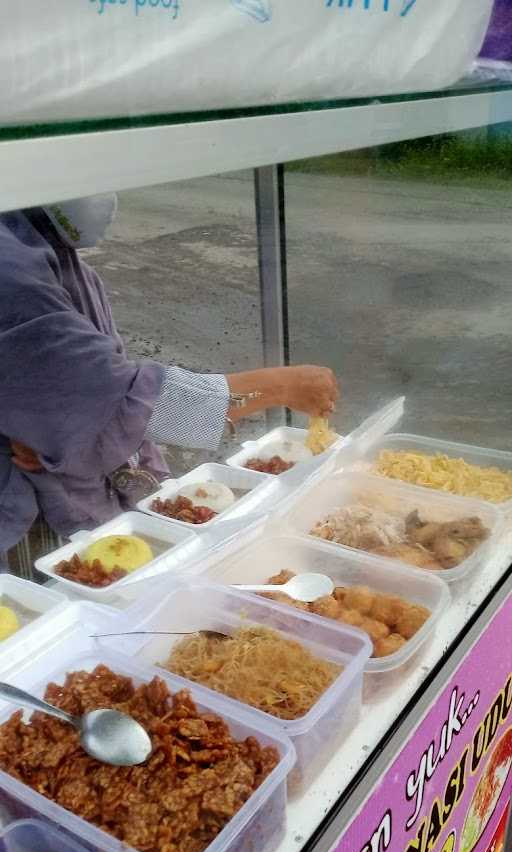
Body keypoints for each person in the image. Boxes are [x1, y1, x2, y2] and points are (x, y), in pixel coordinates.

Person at [0, 195, 338, 572]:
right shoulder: (8, 267)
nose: (107, 197)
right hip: (20, 519)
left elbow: (80, 396)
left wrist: (55, 421)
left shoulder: (41, 244)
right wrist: (279, 388)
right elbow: (113, 403)